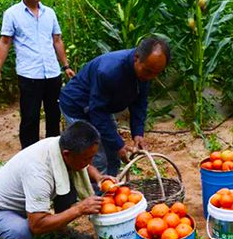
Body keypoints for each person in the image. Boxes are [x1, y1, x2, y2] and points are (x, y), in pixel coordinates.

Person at [0, 120, 111, 239]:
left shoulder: (60, 146)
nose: (90, 162)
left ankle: (60, 231)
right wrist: (79, 209)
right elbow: (36, 225)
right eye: (87, 158)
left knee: (67, 182)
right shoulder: (38, 173)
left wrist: (99, 178)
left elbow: (84, 165)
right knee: (19, 231)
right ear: (67, 154)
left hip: (20, 202)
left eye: (92, 157)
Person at [0, 0, 75, 149]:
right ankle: (29, 155)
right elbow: (5, 42)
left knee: (53, 115)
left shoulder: (49, 13)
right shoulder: (12, 14)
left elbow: (57, 40)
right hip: (29, 75)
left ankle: (54, 153)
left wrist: (65, 65)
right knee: (30, 117)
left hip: (51, 73)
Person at [59, 37, 170, 176]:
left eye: (156, 73)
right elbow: (97, 112)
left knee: (114, 154)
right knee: (96, 156)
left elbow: (139, 102)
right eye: (148, 71)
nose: (151, 77)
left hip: (100, 106)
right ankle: (96, 193)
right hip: (77, 106)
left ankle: (112, 188)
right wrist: (118, 144)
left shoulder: (146, 69)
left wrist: (138, 133)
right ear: (136, 57)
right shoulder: (109, 71)